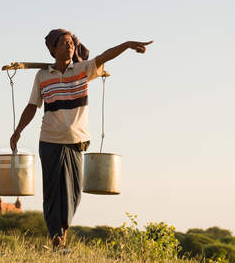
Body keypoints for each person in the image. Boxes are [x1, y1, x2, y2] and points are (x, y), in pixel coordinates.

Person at [10, 29, 152, 250]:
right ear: (52, 49)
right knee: (52, 191)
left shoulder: (83, 70)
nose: (69, 47)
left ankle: (62, 235)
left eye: (72, 44)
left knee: (73, 192)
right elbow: (32, 106)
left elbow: (105, 56)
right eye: (64, 43)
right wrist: (18, 130)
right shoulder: (43, 75)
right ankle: (56, 238)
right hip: (49, 139)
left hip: (77, 141)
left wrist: (126, 45)